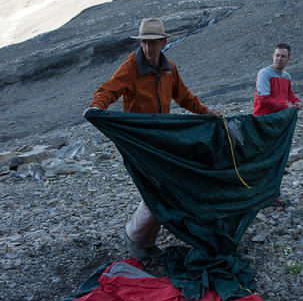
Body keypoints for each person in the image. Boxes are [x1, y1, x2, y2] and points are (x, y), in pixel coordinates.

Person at [85, 17, 219, 260]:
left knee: (161, 187)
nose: (149, 48)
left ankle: (143, 241)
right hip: (139, 144)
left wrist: (205, 112)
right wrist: (96, 107)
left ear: (163, 42)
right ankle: (136, 239)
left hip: (161, 140)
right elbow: (108, 90)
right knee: (156, 189)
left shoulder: (169, 69)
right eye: (145, 42)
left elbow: (184, 97)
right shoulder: (130, 68)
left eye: (154, 43)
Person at [253, 43, 303, 116]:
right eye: (277, 55)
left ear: (288, 59)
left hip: (280, 114)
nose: (279, 59)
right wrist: (286, 107)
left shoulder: (286, 76)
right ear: (273, 56)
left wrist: (295, 101)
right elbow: (263, 99)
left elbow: (288, 93)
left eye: (283, 56)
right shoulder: (264, 73)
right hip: (264, 116)